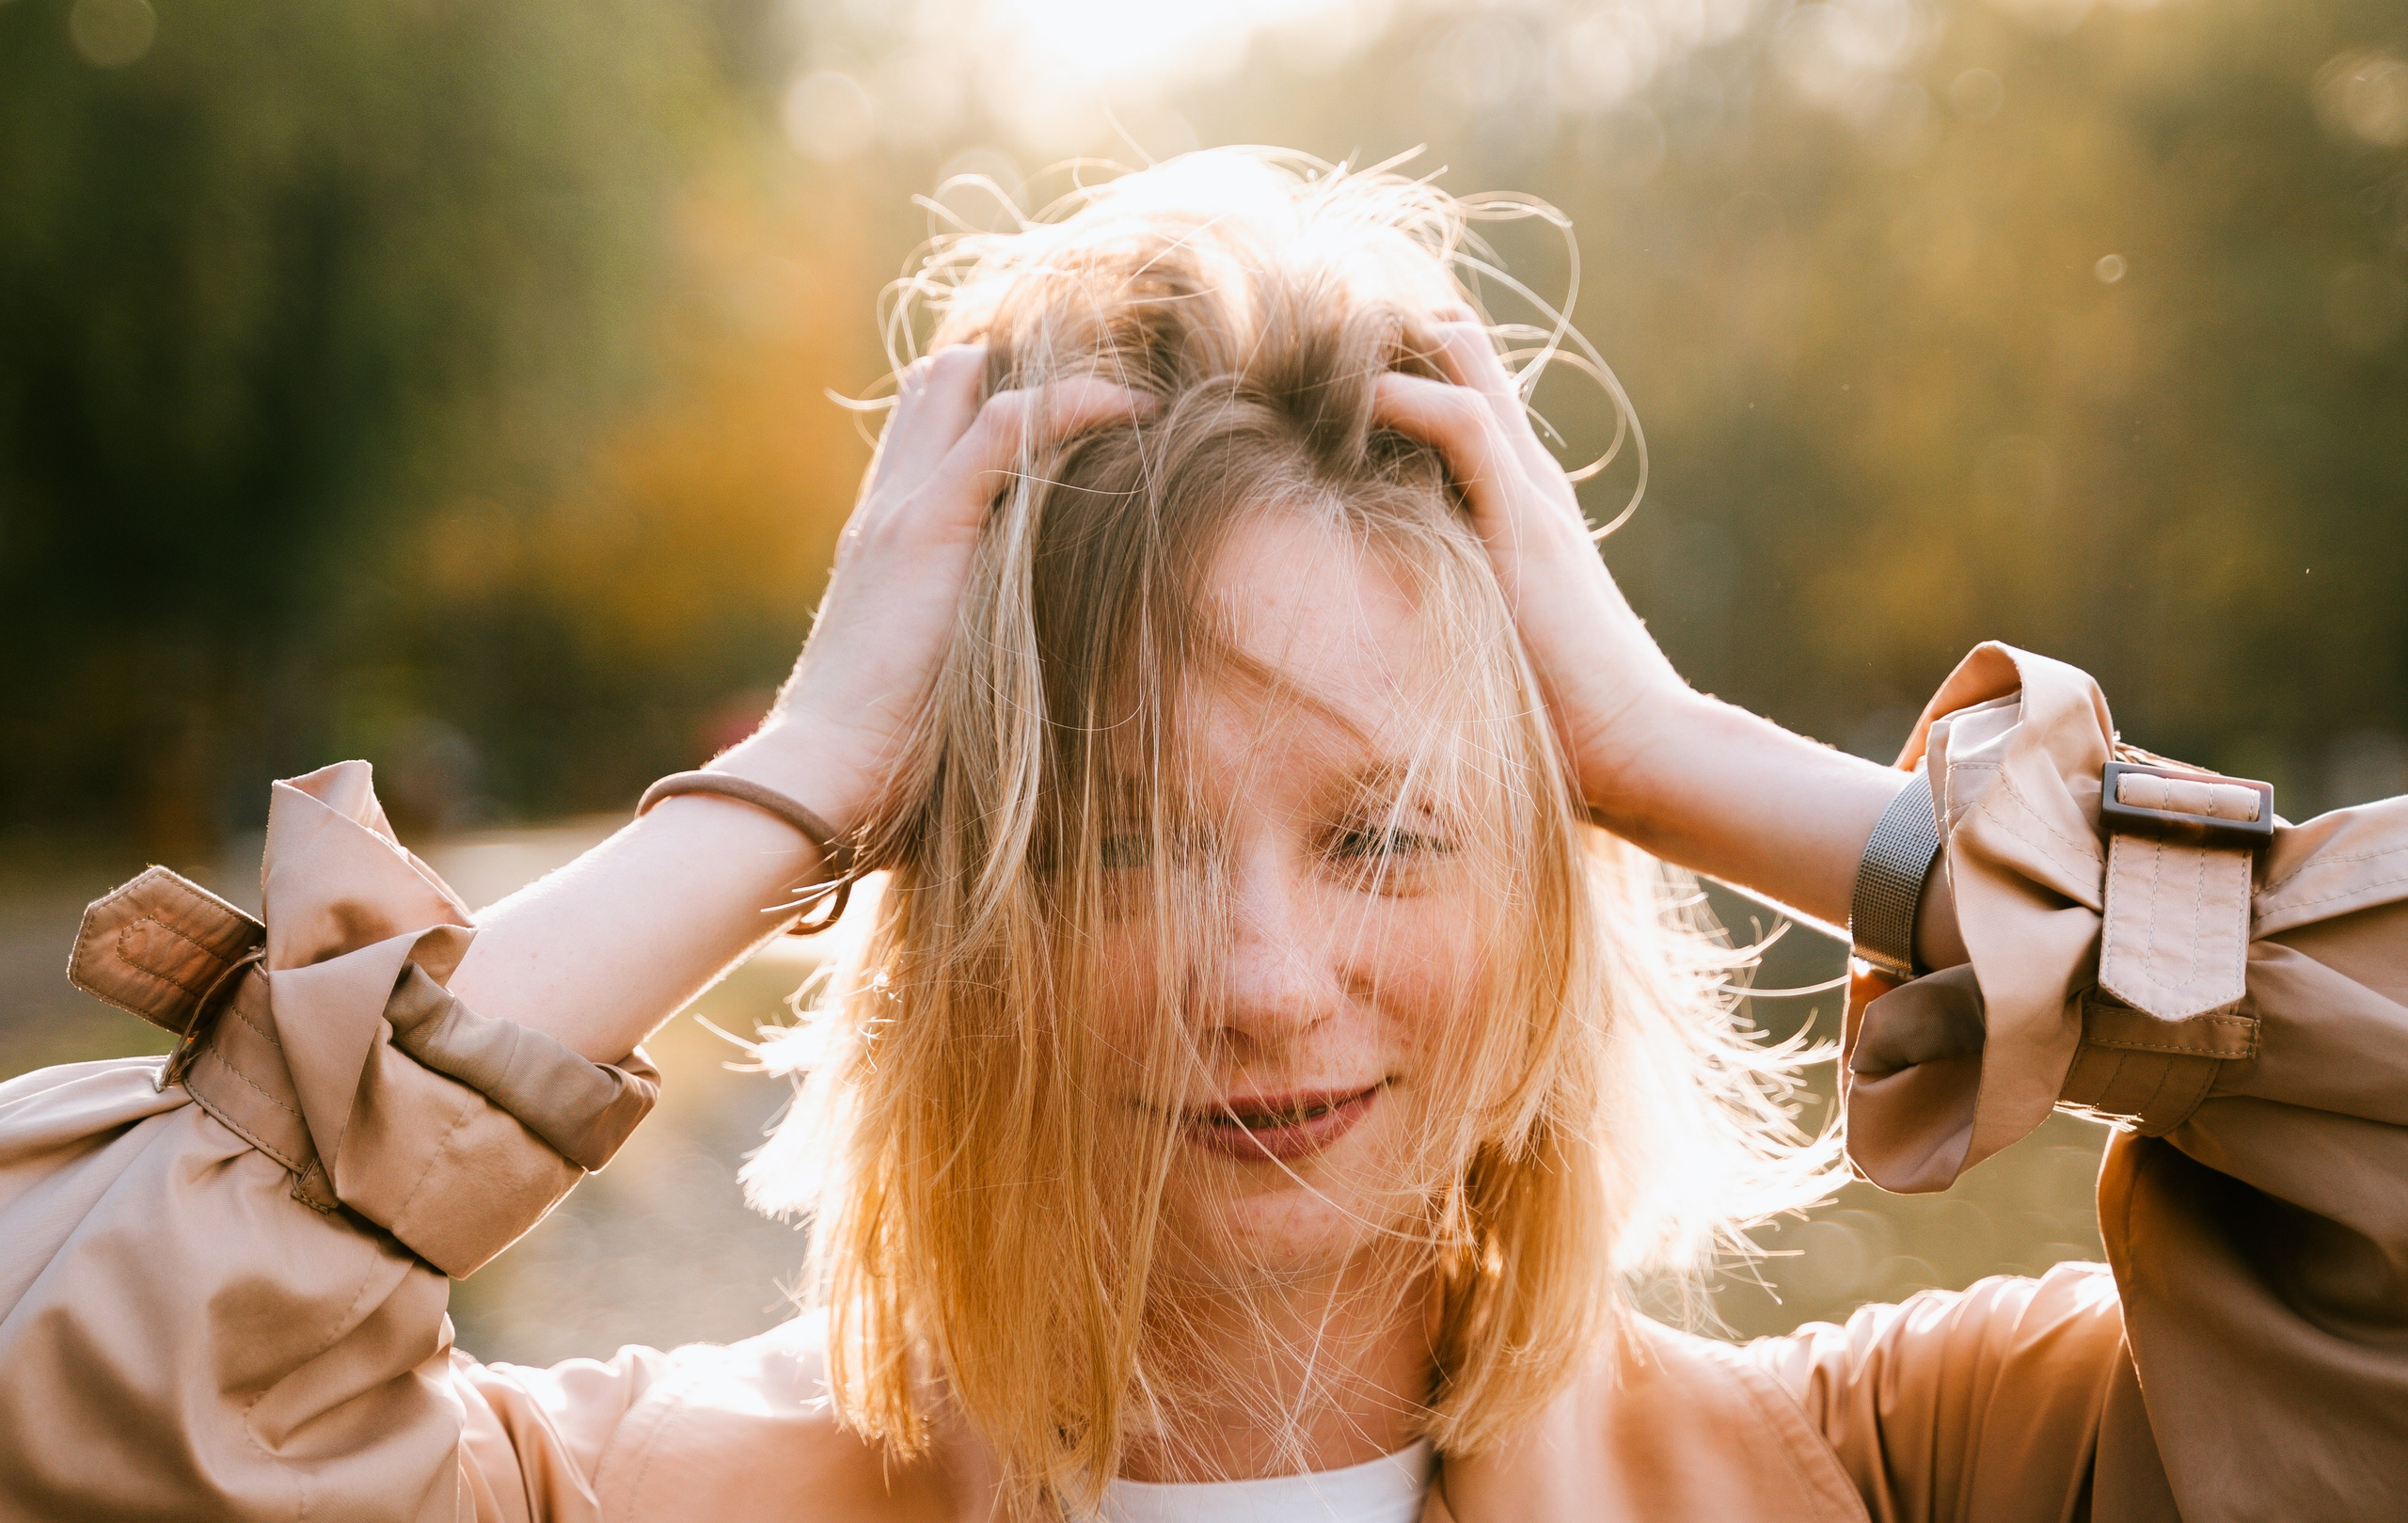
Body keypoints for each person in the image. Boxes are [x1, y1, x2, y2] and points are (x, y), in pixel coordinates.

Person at [2, 150, 2402, 1523]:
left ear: (1551, 879)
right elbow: (78, 1384)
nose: (1261, 974)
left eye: (1385, 835)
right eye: (1117, 841)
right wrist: (793, 776)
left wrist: (1678, 754)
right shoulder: (580, 1495)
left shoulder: (1910, 1473)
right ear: (948, 918)